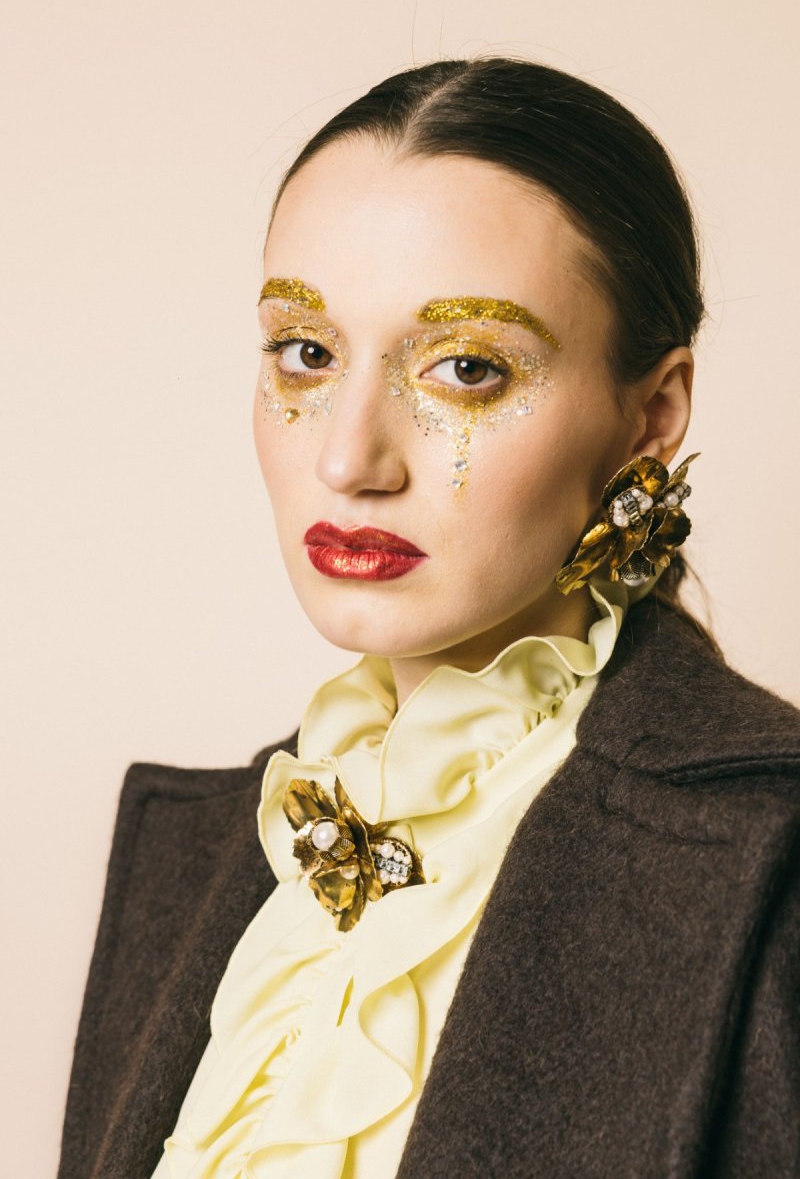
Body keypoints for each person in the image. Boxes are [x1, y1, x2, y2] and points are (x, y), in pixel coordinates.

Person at [58, 57, 800, 1179]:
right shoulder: (206, 857)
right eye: (306, 354)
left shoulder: (767, 859)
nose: (348, 459)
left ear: (651, 416)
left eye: (465, 368)